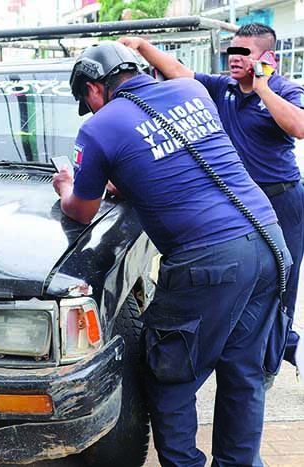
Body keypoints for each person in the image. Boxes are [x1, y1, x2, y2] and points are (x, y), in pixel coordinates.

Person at [54, 41, 291, 467]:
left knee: (170, 376)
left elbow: (81, 208)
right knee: (243, 372)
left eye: (85, 102)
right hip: (269, 242)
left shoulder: (101, 126)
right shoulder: (192, 92)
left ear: (92, 88)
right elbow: (179, 161)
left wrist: (66, 187)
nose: (89, 111)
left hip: (209, 261)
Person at [120, 23, 304, 378]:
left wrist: (263, 86)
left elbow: (298, 127)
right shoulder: (224, 88)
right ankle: (246, 350)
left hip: (282, 201)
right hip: (238, 202)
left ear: (268, 58)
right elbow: (180, 73)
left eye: (244, 53)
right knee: (240, 281)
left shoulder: (284, 89)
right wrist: (143, 46)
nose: (234, 59)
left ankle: (270, 361)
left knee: (281, 283)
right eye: (231, 51)